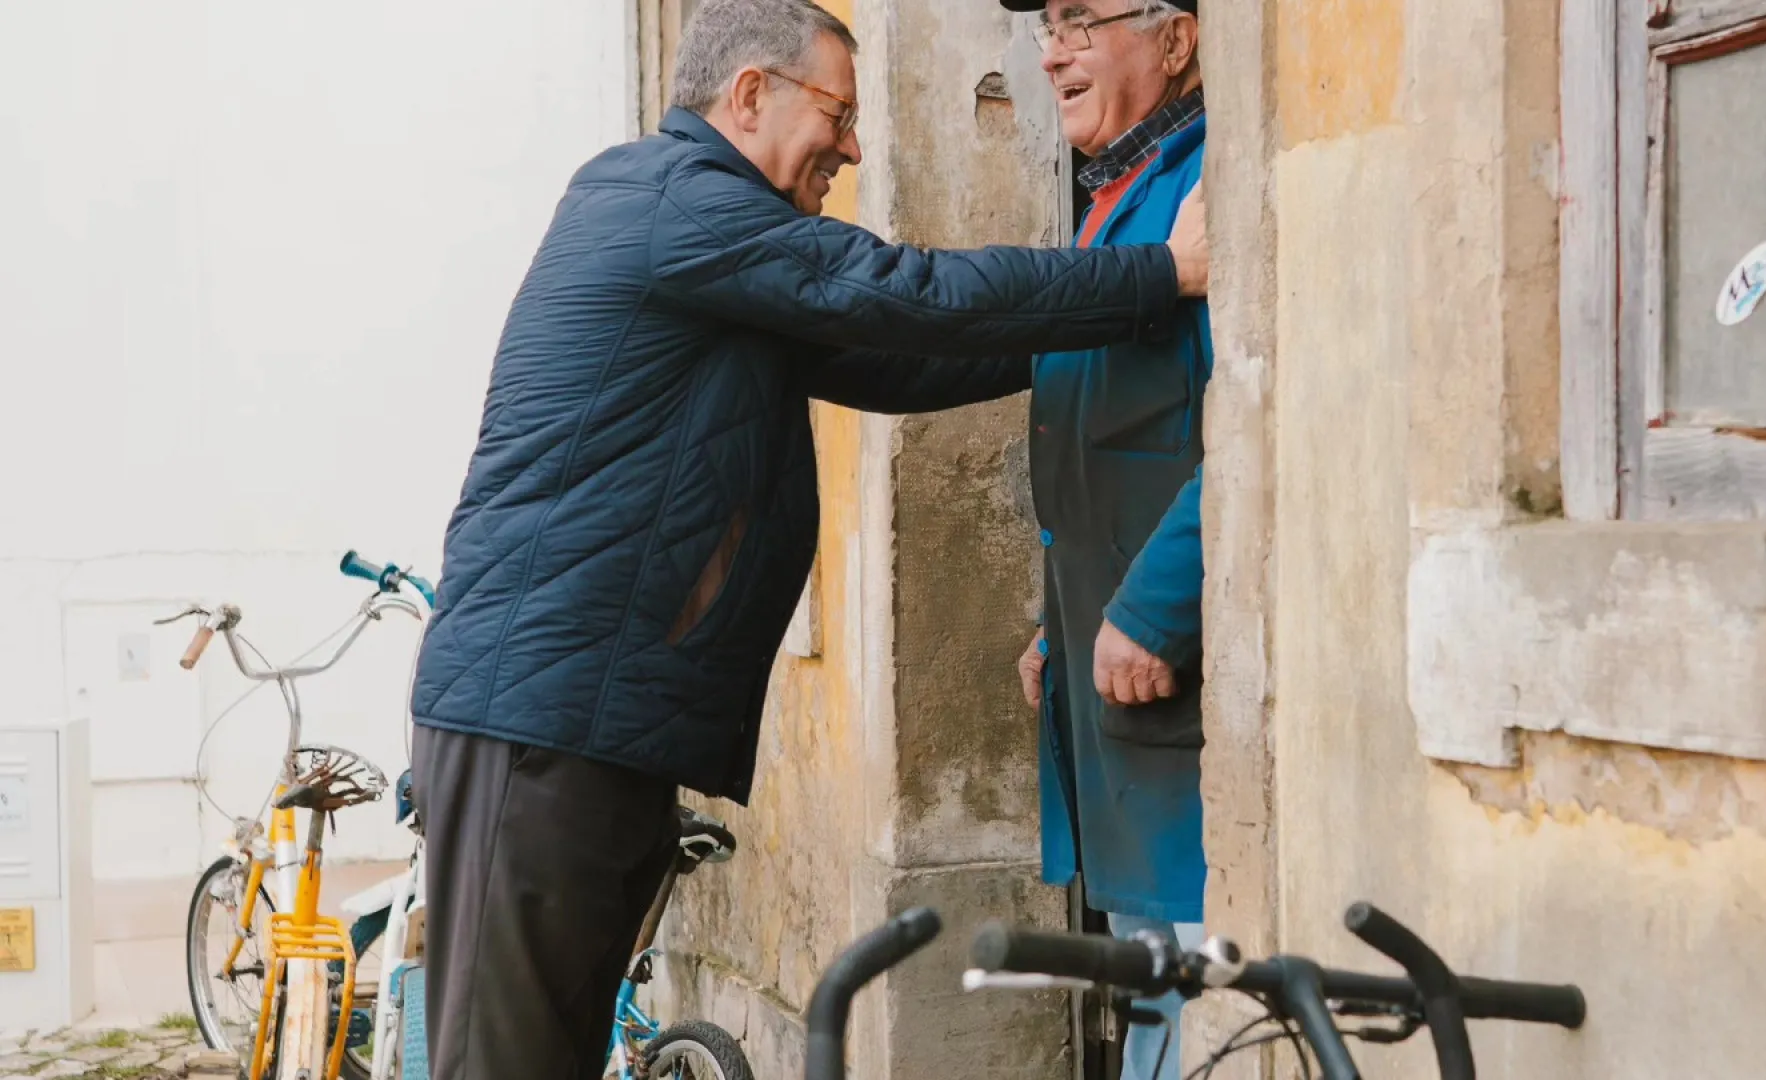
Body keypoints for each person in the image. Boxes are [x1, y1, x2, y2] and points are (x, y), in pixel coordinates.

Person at [403, 0, 1208, 1076]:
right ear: (748, 96)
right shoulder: (674, 203)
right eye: (837, 113)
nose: (854, 145)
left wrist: (1099, 327)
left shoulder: (709, 243)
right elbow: (896, 292)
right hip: (542, 729)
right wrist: (1160, 272)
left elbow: (903, 360)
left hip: (582, 727)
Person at [1005, 2, 1209, 1079]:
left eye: (1082, 21)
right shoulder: (1122, 198)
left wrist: (1151, 607)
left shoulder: (1213, 181)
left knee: (1194, 1001)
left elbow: (1255, 420)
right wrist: (1061, 617)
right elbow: (1111, 443)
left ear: (1175, 41)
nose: (1052, 51)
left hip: (1177, 688)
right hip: (1110, 687)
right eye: (1049, 25)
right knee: (1150, 988)